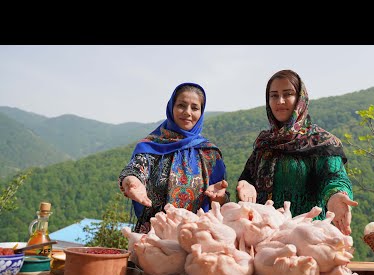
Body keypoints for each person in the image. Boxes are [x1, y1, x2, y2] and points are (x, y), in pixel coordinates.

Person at [236, 69, 358, 235]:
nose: (280, 101)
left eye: (288, 94)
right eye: (274, 95)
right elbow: (248, 181)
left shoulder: (321, 142)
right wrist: (245, 186)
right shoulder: (264, 145)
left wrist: (336, 196)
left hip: (308, 239)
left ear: (301, 99)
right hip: (266, 240)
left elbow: (335, 178)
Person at [119, 82, 229, 233]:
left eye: (195, 108)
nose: (187, 112)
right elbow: (136, 169)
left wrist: (218, 198)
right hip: (153, 239)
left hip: (196, 240)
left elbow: (222, 201)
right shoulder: (151, 146)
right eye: (181, 105)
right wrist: (131, 180)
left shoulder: (210, 153)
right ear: (171, 107)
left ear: (201, 112)